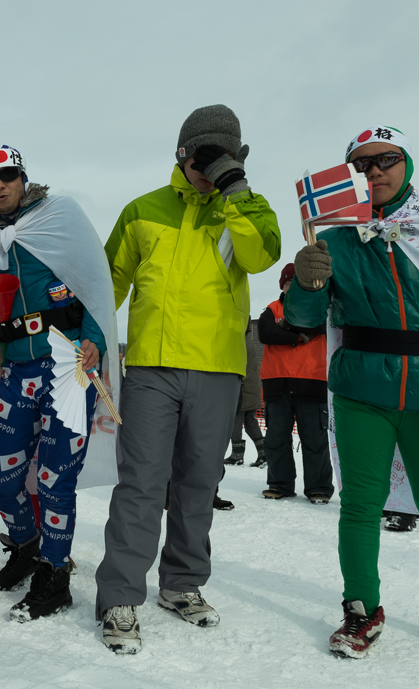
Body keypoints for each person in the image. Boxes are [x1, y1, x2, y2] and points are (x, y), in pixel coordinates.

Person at [286, 125, 419, 663]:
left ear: (406, 163)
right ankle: (361, 609)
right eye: (361, 165)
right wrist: (306, 284)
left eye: (386, 158)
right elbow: (303, 321)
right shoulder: (334, 238)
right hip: (360, 389)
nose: (375, 171)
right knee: (361, 504)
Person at [95, 104, 281, 654]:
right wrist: (88, 335)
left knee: (199, 483)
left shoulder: (246, 207)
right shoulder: (142, 210)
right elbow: (108, 283)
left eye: (224, 158)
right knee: (141, 483)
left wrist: (234, 189)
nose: (210, 168)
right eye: (204, 158)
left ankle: (181, 583)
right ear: (181, 155)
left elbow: (261, 256)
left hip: (218, 368)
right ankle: (120, 595)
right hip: (151, 366)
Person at [0, 145, 119, 621]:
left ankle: (54, 574)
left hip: (68, 367)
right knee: (2, 478)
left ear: (23, 178)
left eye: (7, 175)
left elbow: (94, 281)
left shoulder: (58, 216)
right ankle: (27, 547)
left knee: (55, 479)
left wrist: (94, 339)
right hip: (17, 369)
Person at [258, 263, 333, 503]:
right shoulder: (272, 308)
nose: (293, 288)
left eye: (298, 284)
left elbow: (320, 327)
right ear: (282, 285)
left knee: (314, 439)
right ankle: (279, 484)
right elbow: (265, 333)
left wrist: (284, 329)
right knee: (276, 438)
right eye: (289, 283)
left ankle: (319, 487)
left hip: (312, 379)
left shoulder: (320, 309)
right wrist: (300, 336)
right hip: (277, 381)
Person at [225, 325, 265, 468]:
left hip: (242, 389)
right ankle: (264, 453)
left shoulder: (238, 340)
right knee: (250, 422)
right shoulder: (248, 340)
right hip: (251, 388)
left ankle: (237, 456)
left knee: (235, 422)